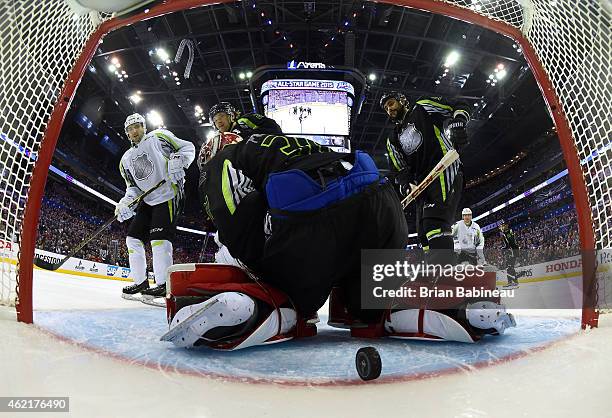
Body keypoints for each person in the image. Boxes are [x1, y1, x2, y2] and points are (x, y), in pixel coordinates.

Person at [381, 92, 470, 265]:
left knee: (434, 222)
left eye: (391, 103)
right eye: (385, 108)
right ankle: (437, 272)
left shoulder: (422, 107)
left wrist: (459, 123)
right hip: (423, 184)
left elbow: (457, 104)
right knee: (423, 233)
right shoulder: (392, 139)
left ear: (402, 100)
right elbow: (399, 170)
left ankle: (445, 274)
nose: (389, 109)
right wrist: (407, 185)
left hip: (444, 168)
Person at [117, 113, 195, 300]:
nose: (134, 131)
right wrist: (125, 203)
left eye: (137, 126)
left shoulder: (159, 137)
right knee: (132, 239)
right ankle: (141, 281)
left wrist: (180, 160)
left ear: (144, 127)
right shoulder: (125, 160)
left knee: (158, 239)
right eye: (130, 129)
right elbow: (133, 189)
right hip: (148, 199)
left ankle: (163, 284)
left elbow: (188, 147)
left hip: (169, 193)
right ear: (127, 133)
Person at [208, 102, 282, 136]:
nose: (219, 121)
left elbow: (274, 127)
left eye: (221, 116)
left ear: (232, 115)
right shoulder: (221, 141)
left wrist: (250, 137)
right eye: (215, 120)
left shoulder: (245, 120)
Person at [499, 220, 523, 288]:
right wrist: (504, 248)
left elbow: (511, 242)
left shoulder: (508, 232)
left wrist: (505, 248)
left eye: (502, 226)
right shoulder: (505, 233)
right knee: (509, 267)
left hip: (513, 251)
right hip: (512, 251)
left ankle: (512, 282)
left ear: (505, 226)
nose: (501, 227)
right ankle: (513, 282)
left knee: (509, 267)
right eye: (501, 226)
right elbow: (507, 244)